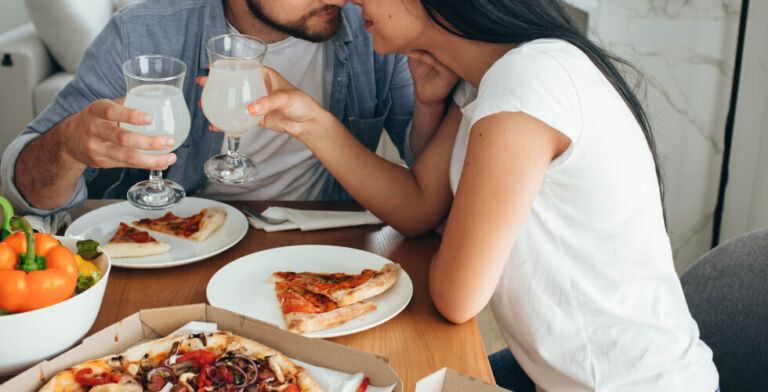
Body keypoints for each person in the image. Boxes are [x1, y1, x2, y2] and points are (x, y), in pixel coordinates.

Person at [236, 0, 720, 390]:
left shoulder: (529, 83)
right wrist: (313, 123)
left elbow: (457, 296)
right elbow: (418, 207)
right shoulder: (491, 78)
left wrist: (451, 223)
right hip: (553, 377)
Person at [0, 0, 449, 215]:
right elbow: (23, 196)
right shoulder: (142, 34)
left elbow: (428, 184)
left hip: (327, 250)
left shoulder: (372, 31)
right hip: (177, 244)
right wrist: (66, 147)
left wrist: (429, 106)